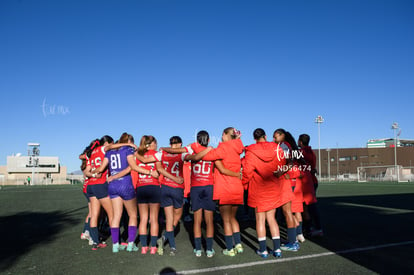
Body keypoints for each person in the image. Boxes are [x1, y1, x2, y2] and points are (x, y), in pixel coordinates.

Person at [160, 130, 240, 258]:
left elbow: (176, 151)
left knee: (197, 221)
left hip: (196, 187)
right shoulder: (212, 151)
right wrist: (237, 173)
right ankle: (209, 249)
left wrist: (164, 148)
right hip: (208, 187)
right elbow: (222, 168)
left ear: (197, 140)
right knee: (209, 221)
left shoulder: (193, 148)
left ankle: (198, 249)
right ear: (208, 140)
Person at [196, 127, 244, 257]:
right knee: (233, 218)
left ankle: (229, 248)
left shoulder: (223, 148)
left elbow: (206, 157)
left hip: (226, 187)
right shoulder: (238, 149)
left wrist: (205, 148)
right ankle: (238, 244)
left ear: (225, 134)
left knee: (226, 220)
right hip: (237, 187)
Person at [242, 128, 284, 258]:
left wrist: (244, 184)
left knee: (260, 220)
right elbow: (282, 165)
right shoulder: (276, 148)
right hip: (272, 187)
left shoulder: (251, 151)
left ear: (254, 138)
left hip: (258, 188)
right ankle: (277, 249)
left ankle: (263, 250)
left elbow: (247, 171)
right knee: (272, 219)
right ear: (265, 136)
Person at [83, 135, 114, 250]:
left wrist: (94, 174)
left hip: (91, 185)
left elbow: (87, 172)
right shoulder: (103, 149)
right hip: (100, 185)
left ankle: (95, 241)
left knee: (94, 215)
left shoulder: (92, 153)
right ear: (107, 143)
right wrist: (128, 144)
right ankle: (117, 241)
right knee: (112, 214)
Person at [133, 135, 162, 255]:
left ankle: (144, 246)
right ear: (151, 144)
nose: (157, 145)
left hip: (141, 187)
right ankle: (153, 246)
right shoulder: (157, 154)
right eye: (155, 143)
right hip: (154, 187)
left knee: (143, 218)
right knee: (154, 219)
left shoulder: (137, 155)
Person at [273, 129, 299, 251]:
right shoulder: (286, 145)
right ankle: (293, 239)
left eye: (275, 137)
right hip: (287, 180)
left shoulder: (284, 146)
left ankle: (293, 242)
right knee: (289, 212)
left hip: (284, 182)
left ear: (282, 136)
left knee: (288, 212)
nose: (274, 139)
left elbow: (289, 163)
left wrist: (280, 172)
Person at [298, 134, 323, 237]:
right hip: (312, 180)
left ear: (300, 142)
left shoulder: (302, 152)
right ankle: (312, 227)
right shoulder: (311, 152)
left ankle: (312, 228)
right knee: (310, 206)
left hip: (307, 182)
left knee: (307, 207)